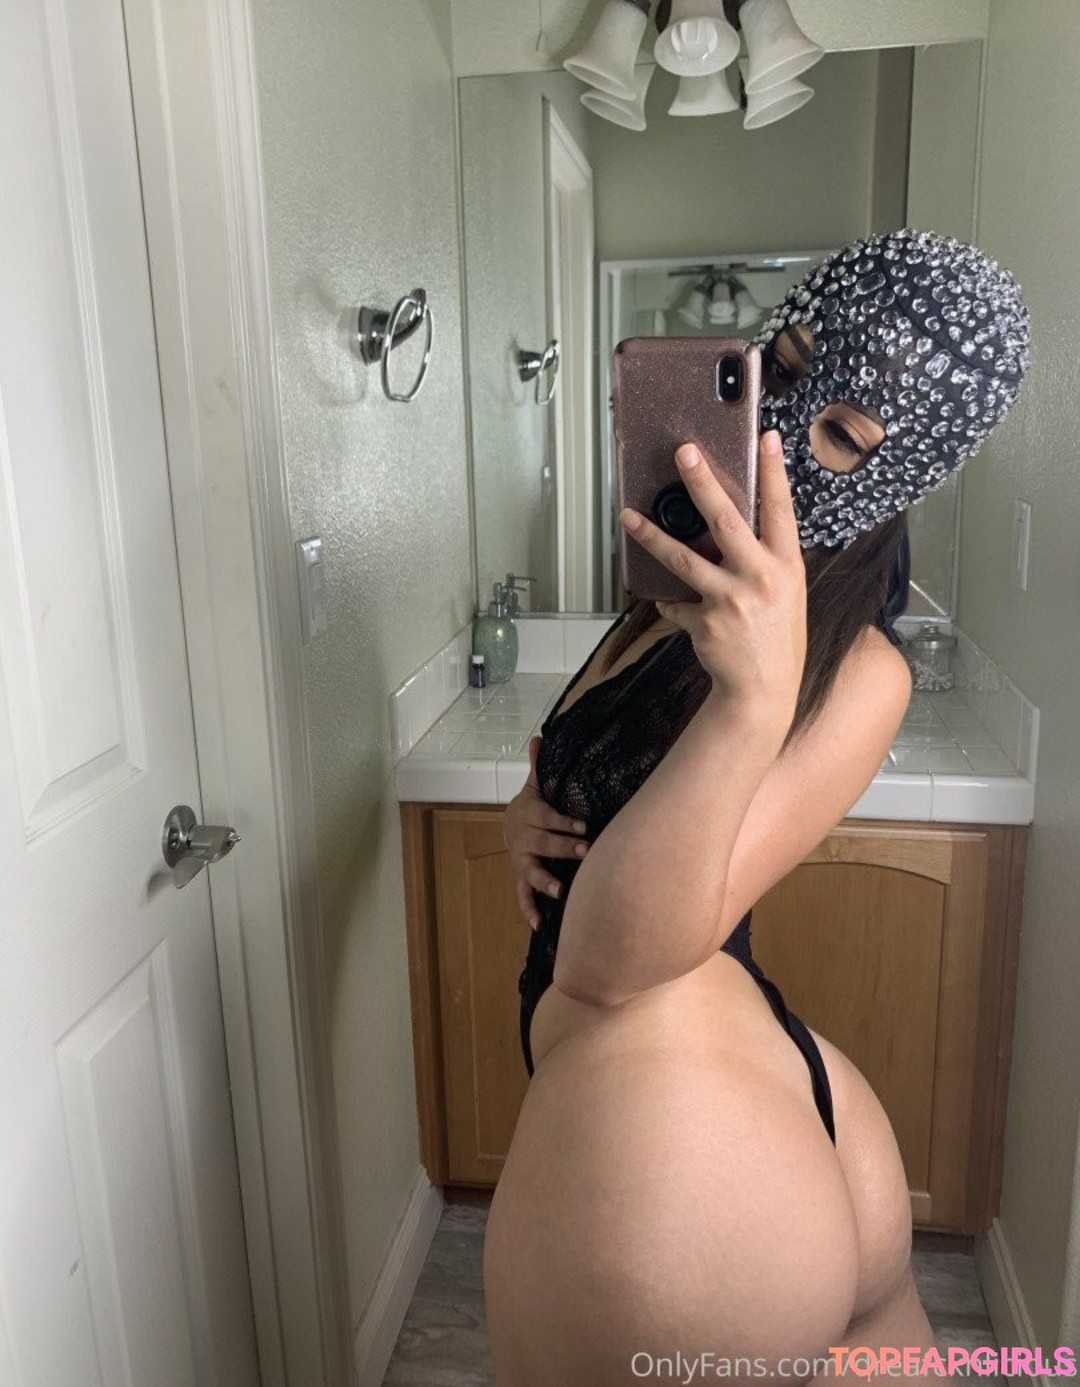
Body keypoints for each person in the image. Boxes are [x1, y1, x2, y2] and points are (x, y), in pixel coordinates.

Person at [484, 230, 1030, 1386]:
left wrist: (753, 703)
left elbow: (610, 966)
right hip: (762, 1078)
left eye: (841, 435)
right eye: (779, 366)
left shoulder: (859, 671)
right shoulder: (682, 599)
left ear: (898, 473)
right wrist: (527, 806)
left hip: (678, 1172)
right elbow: (596, 767)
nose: (780, 434)